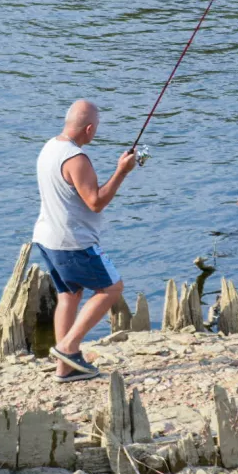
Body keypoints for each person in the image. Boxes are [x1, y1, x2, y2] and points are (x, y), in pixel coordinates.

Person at [32, 99, 137, 383]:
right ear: (89, 128)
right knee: (111, 288)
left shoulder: (50, 146)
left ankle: (64, 369)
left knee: (69, 295)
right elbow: (95, 202)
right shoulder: (76, 159)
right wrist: (122, 171)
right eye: (96, 127)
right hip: (73, 242)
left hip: (46, 237)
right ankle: (67, 347)